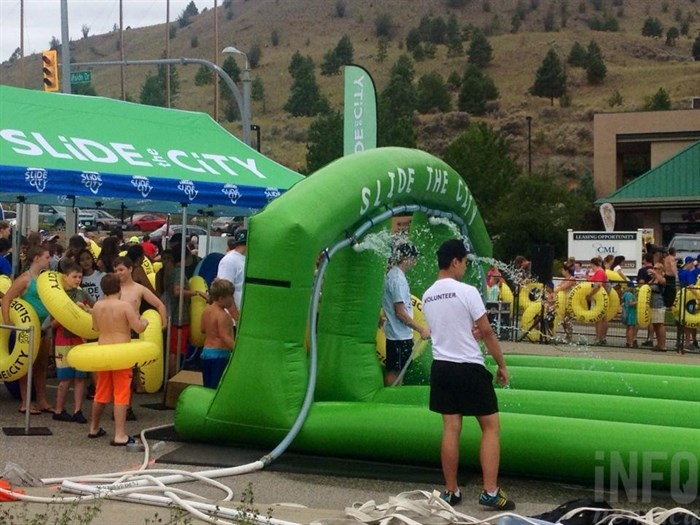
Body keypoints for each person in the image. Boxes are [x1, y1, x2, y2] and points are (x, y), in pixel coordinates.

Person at [421, 239, 515, 511]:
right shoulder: (467, 291)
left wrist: (468, 331)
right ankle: (490, 491)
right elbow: (486, 331)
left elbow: (447, 328)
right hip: (468, 367)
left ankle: (451, 491)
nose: (464, 267)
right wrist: (501, 364)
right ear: (455, 261)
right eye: (464, 262)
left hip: (441, 367)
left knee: (451, 428)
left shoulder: (428, 295)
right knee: (490, 427)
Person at [88, 273, 149, 446]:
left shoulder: (97, 306)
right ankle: (120, 434)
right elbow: (137, 327)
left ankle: (94, 428)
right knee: (121, 393)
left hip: (104, 351)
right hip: (121, 353)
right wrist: (145, 322)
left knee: (101, 391)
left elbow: (95, 327)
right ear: (119, 288)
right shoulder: (125, 306)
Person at [1, 245, 54, 414]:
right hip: (28, 328)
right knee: (26, 365)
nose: (49, 260)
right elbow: (7, 298)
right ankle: (25, 402)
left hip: (44, 327)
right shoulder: (25, 279)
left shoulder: (46, 279)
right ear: (37, 258)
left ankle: (41, 400)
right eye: (46, 257)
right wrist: (9, 322)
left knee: (42, 365)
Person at [381, 242, 430, 386]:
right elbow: (400, 312)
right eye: (414, 258)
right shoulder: (398, 279)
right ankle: (390, 399)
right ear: (407, 258)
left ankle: (392, 397)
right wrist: (420, 329)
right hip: (399, 336)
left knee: (398, 370)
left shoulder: (392, 275)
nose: (414, 262)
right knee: (395, 371)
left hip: (398, 334)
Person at [51, 260, 93, 423]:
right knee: (65, 378)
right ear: (65, 277)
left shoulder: (83, 294)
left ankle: (78, 410)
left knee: (80, 377)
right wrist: (67, 315)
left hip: (80, 340)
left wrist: (86, 310)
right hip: (63, 340)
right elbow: (51, 324)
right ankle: (58, 409)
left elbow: (95, 309)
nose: (78, 280)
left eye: (80, 277)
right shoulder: (58, 295)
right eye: (74, 277)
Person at [200, 278, 236, 388]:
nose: (232, 300)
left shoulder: (206, 311)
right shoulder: (223, 316)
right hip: (219, 355)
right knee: (217, 388)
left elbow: (202, 329)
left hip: (206, 353)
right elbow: (225, 337)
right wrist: (237, 350)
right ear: (221, 298)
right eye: (231, 297)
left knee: (208, 386)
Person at [216, 229, 247, 317]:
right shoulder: (229, 261)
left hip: (243, 316)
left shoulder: (246, 259)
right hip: (231, 319)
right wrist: (236, 318)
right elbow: (224, 292)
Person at [586, 257, 608, 346]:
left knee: (599, 319)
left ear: (592, 264)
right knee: (602, 318)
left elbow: (598, 285)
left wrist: (590, 294)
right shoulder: (601, 271)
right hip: (600, 297)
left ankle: (599, 338)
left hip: (598, 297)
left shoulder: (599, 272)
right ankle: (601, 337)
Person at [553, 263, 577, 343]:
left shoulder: (572, 279)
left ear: (567, 271)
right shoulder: (564, 279)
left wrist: (558, 288)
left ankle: (569, 336)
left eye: (563, 270)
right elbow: (558, 287)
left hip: (569, 301)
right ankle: (567, 335)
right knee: (563, 320)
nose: (562, 271)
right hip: (563, 302)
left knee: (567, 319)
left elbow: (563, 287)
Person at [637, 253, 655, 347]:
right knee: (651, 318)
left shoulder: (642, 271)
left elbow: (641, 283)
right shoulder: (655, 270)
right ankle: (650, 338)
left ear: (645, 260)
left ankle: (634, 338)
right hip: (655, 295)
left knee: (640, 315)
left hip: (644, 295)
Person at [649, 263, 667, 352]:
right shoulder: (653, 279)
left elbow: (662, 282)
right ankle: (659, 344)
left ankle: (663, 345)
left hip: (659, 303)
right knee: (655, 324)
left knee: (660, 324)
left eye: (656, 268)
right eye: (653, 268)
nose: (654, 269)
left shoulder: (662, 278)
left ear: (660, 269)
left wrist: (655, 274)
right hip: (652, 303)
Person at [621, 284, 638, 348]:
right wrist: (637, 302)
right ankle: (631, 342)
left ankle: (627, 342)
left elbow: (623, 303)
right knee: (631, 328)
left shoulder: (625, 294)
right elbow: (631, 303)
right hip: (631, 313)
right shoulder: (630, 295)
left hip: (626, 312)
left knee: (627, 328)